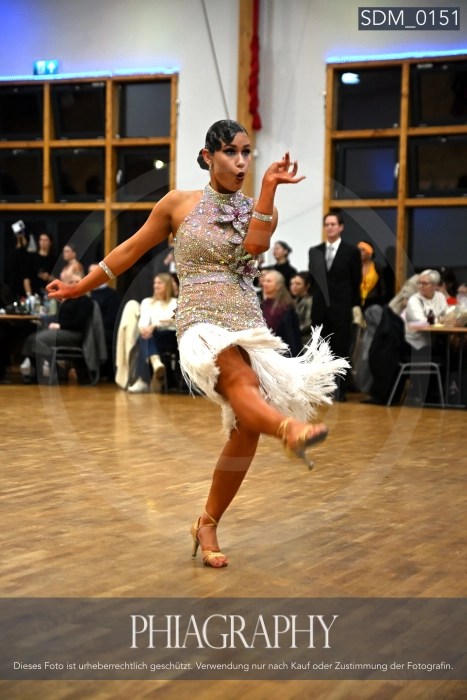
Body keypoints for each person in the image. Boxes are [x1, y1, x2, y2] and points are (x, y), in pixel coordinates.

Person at [47, 119, 348, 568]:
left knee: (246, 426)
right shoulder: (177, 204)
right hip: (202, 323)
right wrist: (78, 287)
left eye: (246, 153)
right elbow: (129, 250)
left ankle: (207, 522)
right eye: (231, 152)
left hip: (247, 324)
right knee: (241, 382)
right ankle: (289, 430)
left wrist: (269, 187)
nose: (241, 162)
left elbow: (256, 245)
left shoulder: (256, 207)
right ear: (208, 156)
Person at [308, 210, 362, 401]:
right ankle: (320, 389)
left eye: (333, 224)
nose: (330, 228)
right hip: (320, 308)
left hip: (341, 308)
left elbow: (356, 280)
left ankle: (340, 391)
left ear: (340, 227)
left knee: (340, 349)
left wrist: (353, 305)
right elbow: (313, 280)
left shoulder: (351, 252)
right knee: (320, 349)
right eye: (327, 224)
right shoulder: (315, 251)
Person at [23, 269, 93, 383]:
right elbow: (58, 317)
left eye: (77, 282)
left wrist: (60, 326)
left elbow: (79, 323)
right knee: (31, 338)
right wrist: (44, 320)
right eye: (71, 282)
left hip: (74, 334)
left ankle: (56, 369)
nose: (74, 284)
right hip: (62, 331)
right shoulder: (69, 300)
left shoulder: (85, 301)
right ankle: (36, 373)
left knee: (39, 339)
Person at [127, 272, 178, 393]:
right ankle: (155, 362)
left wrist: (154, 325)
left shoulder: (175, 302)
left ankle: (143, 381)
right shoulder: (147, 302)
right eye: (155, 283)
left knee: (145, 338)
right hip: (152, 336)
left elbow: (173, 320)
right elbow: (143, 321)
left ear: (167, 285)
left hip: (170, 336)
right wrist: (143, 329)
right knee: (144, 336)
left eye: (159, 283)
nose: (156, 285)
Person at [88, 263, 122, 381]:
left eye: (95, 272)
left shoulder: (112, 295)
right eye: (90, 273)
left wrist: (94, 326)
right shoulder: (87, 293)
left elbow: (112, 319)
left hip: (105, 329)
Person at [404, 269, 448, 354]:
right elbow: (422, 321)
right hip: (414, 343)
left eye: (424, 283)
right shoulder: (414, 300)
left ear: (434, 285)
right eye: (419, 283)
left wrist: (446, 319)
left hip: (434, 341)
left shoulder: (440, 297)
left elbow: (447, 315)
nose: (420, 286)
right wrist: (441, 320)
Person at [260, 269, 302, 356]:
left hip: (283, 354)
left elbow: (291, 338)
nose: (265, 284)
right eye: (264, 281)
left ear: (278, 286)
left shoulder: (286, 307)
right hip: (266, 352)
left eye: (269, 281)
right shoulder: (263, 305)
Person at [24, 232, 56, 296]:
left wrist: (49, 277)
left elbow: (59, 280)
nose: (43, 242)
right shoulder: (31, 258)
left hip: (50, 293)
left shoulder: (54, 260)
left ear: (50, 243)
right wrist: (29, 296)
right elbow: (26, 279)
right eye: (41, 239)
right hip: (34, 293)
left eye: (45, 240)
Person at [358, 240, 386, 311]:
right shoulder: (353, 267)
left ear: (370, 253)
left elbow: (383, 288)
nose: (359, 252)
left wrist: (381, 305)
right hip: (356, 303)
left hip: (373, 303)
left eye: (363, 250)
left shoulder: (378, 268)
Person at [290, 271, 313, 346]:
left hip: (306, 342)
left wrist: (291, 331)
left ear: (307, 285)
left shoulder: (310, 301)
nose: (294, 286)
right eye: (292, 284)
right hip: (296, 340)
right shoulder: (294, 301)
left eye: (298, 284)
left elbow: (308, 324)